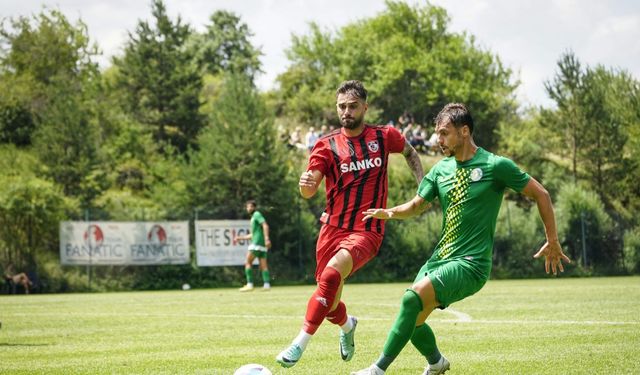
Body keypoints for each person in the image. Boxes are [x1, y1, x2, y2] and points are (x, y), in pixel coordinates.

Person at [352, 103, 571, 375]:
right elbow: (418, 204)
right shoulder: (441, 170)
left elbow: (542, 194)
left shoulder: (495, 165)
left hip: (472, 264)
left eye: (444, 133)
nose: (438, 140)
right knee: (413, 320)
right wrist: (390, 212)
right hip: (440, 259)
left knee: (411, 300)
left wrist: (552, 240)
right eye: (437, 133)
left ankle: (377, 370)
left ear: (464, 131)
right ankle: (437, 363)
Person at [275, 80, 424, 368]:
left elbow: (410, 152)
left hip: (368, 229)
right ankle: (347, 326)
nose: (347, 111)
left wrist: (422, 186)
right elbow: (309, 188)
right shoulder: (326, 145)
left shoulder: (384, 136)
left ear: (365, 107)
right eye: (342, 106)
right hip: (331, 229)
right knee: (328, 303)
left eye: (353, 106)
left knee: (331, 277)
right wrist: (305, 185)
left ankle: (299, 343)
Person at [236, 200, 272, 292]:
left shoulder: (256, 214)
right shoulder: (254, 217)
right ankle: (267, 284)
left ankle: (250, 284)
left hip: (257, 243)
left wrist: (267, 238)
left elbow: (265, 225)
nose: (249, 208)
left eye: (251, 206)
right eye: (247, 207)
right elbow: (252, 234)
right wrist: (240, 238)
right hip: (262, 245)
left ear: (254, 207)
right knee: (263, 265)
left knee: (247, 262)